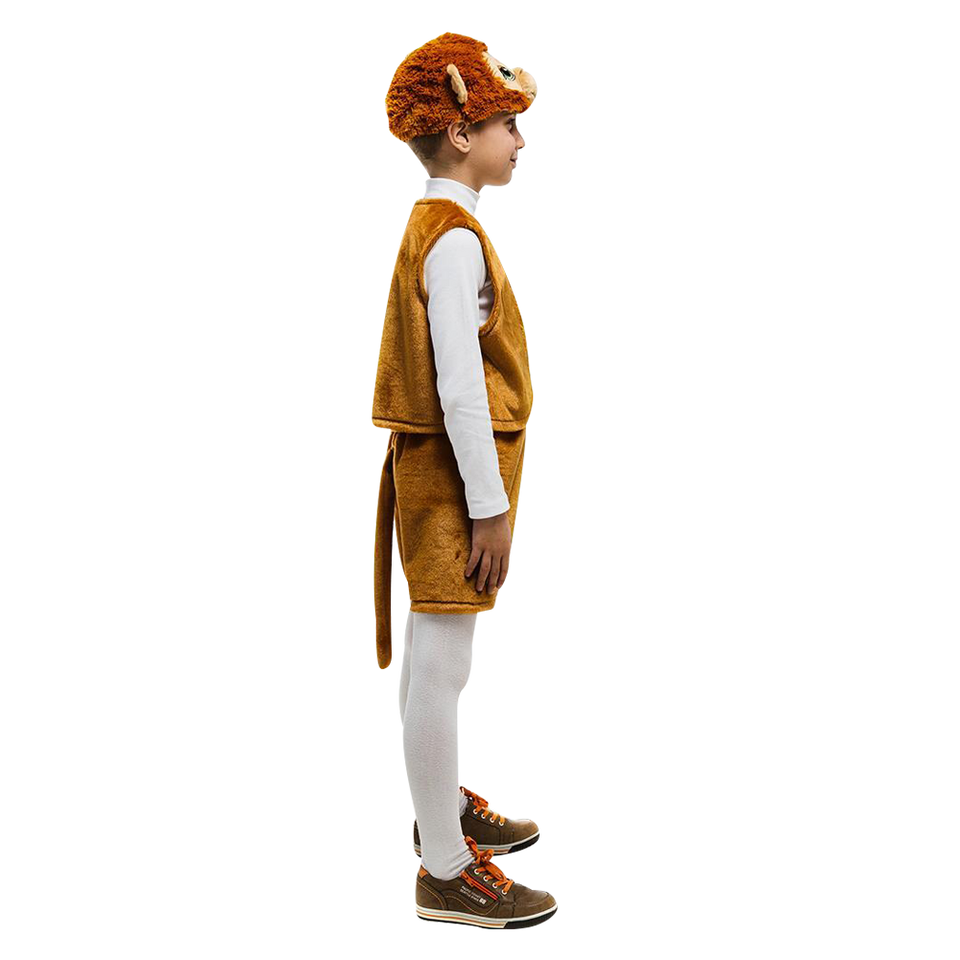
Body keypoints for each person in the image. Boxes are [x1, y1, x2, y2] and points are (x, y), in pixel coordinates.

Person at [371, 30, 558, 931]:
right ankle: (444, 869)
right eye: (506, 126)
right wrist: (489, 511)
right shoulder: (454, 242)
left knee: (432, 662)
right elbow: (458, 387)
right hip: (452, 490)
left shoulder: (440, 225)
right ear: (458, 134)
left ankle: (437, 801)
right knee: (444, 667)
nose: (520, 142)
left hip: (435, 481)